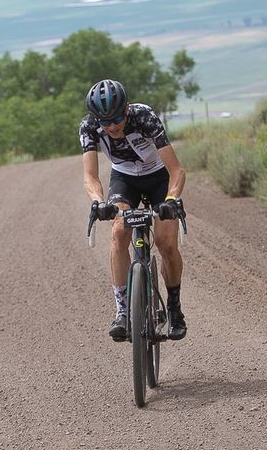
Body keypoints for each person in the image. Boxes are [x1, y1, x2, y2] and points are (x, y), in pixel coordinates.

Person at [80, 78, 187, 343]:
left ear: (126, 109)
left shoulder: (144, 116)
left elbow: (176, 170)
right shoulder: (89, 127)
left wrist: (172, 199)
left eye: (117, 118)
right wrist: (98, 202)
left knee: (166, 244)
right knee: (118, 231)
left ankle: (174, 308)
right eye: (105, 121)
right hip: (124, 179)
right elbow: (90, 176)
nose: (112, 126)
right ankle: (123, 310)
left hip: (157, 178)